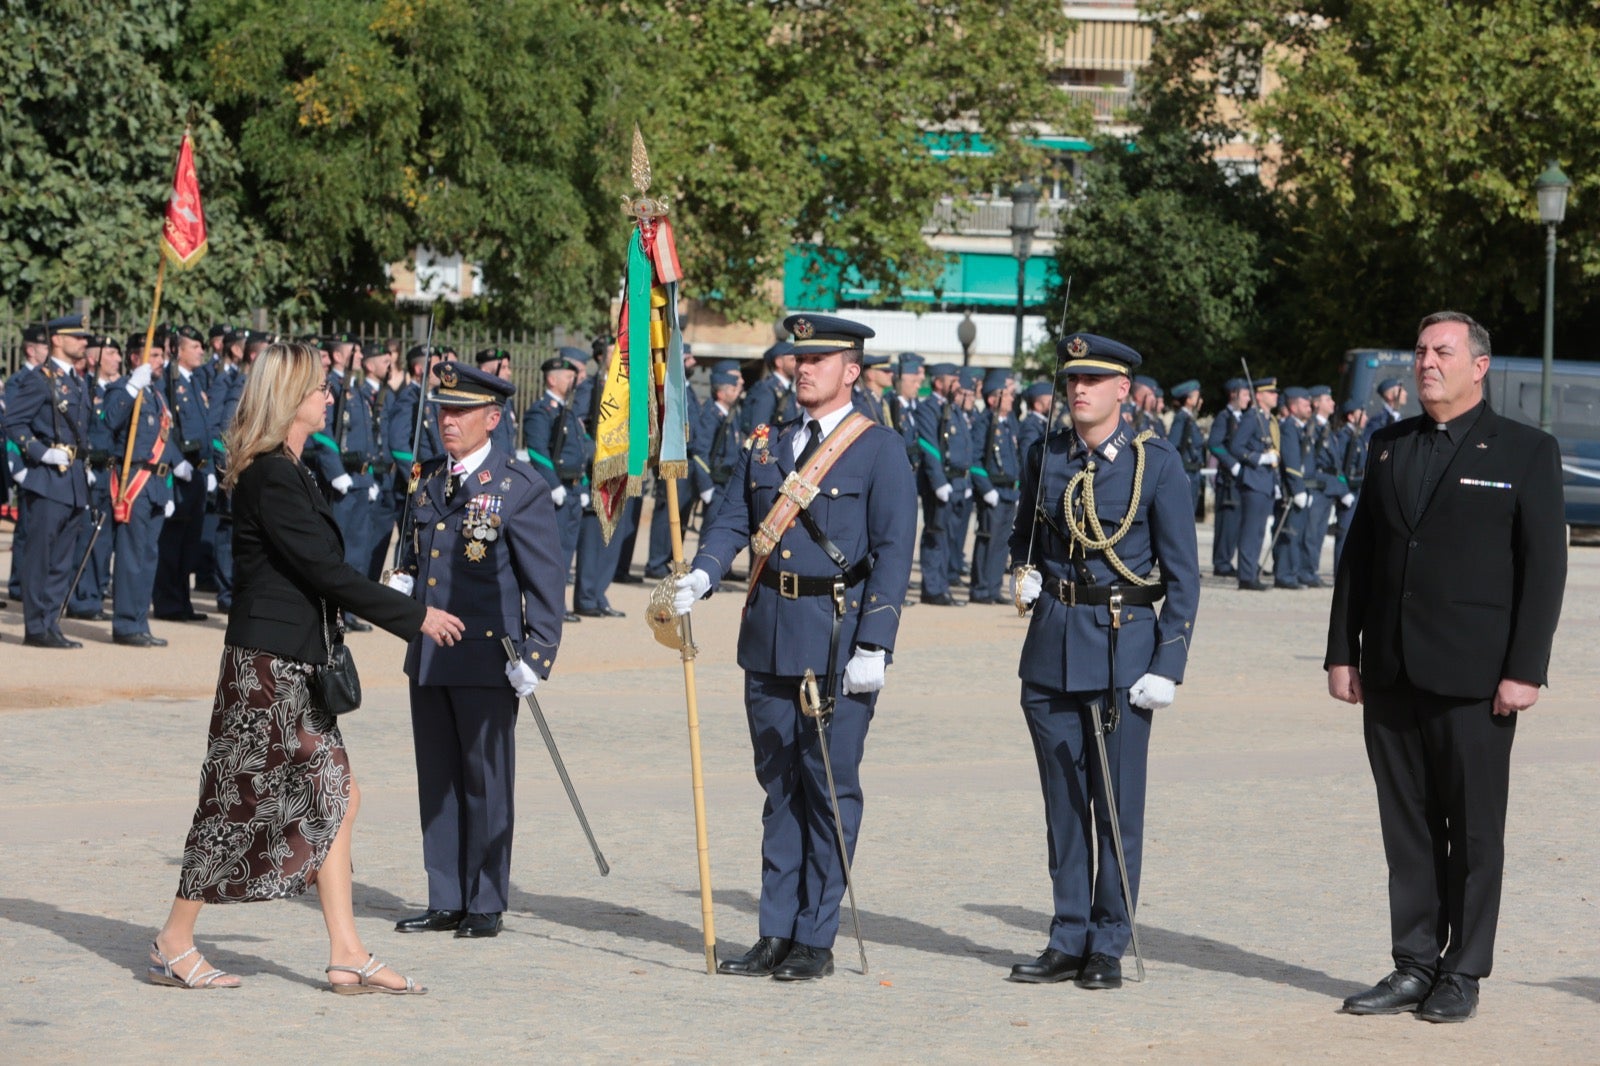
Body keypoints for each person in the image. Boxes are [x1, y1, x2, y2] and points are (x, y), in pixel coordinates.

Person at [148, 340, 464, 994]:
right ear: (291, 397)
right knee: (234, 805)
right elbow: (323, 571)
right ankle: (174, 940)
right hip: (265, 667)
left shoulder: (296, 468)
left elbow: (324, 566)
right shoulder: (270, 474)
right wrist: (414, 616)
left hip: (296, 663)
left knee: (339, 796)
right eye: (319, 387)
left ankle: (346, 950)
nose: (329, 395)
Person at [1326, 311, 1566, 1023]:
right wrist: (1344, 651)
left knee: (1475, 832)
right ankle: (1413, 962)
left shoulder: (1525, 450)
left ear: (1479, 365)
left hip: (1476, 677)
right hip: (1393, 671)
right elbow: (1359, 559)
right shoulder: (1389, 445)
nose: (1426, 362)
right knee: (1408, 828)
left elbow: (1543, 568)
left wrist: (1526, 668)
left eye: (1442, 351)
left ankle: (1463, 969)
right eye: (1421, 350)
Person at [672, 312, 916, 981]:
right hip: (769, 631)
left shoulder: (879, 449)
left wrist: (876, 643)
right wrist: (703, 571)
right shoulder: (767, 442)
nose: (803, 369)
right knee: (778, 787)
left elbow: (894, 553)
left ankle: (815, 933)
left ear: (850, 371)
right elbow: (731, 517)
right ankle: (775, 929)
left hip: (836, 637)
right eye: (798, 360)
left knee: (828, 786)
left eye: (819, 360)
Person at [1006, 332, 1200, 990]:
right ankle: (1067, 935)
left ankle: (1108, 941)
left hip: (1123, 651)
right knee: (1063, 805)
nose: (1078, 390)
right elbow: (1022, 535)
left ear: (1124, 389)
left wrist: (1168, 664)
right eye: (1071, 380)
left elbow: (1183, 575)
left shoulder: (1155, 464)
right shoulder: (1045, 454)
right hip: (1053, 645)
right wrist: (1025, 572)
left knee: (1116, 806)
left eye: (1093, 380)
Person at [387, 361, 566, 940]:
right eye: (443, 410)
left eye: (461, 412)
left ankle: (485, 899)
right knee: (436, 778)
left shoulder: (519, 486)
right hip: (432, 653)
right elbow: (418, 558)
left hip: (490, 657)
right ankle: (446, 896)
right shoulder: (427, 479)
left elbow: (544, 582)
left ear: (492, 418)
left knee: (484, 781)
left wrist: (536, 656)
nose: (448, 421)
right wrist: (399, 587)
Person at [4, 313, 93, 647]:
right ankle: (36, 626)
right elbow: (13, 422)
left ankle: (51, 621)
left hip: (72, 481)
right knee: (41, 556)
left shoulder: (77, 380)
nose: (84, 342)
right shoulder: (41, 379)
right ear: (57, 339)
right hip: (47, 478)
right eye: (78, 337)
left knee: (62, 559)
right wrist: (40, 453)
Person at [103, 334, 178, 647]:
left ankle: (139, 620)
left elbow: (166, 441)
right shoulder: (124, 389)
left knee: (148, 556)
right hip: (135, 481)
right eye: (156, 355)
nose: (161, 361)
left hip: (157, 485)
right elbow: (109, 421)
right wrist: (131, 387)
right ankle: (125, 624)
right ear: (137, 358)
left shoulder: (157, 394)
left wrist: (170, 489)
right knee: (132, 557)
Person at [152, 325, 218, 623]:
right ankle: (168, 602)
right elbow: (164, 427)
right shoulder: (169, 380)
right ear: (178, 350)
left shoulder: (194, 380)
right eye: (195, 346)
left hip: (199, 473)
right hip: (180, 473)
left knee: (189, 542)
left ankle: (183, 601)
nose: (201, 351)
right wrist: (176, 460)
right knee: (172, 542)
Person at [522, 348, 591, 617]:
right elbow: (538, 451)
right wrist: (553, 485)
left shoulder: (568, 412)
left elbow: (578, 454)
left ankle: (557, 605)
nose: (572, 381)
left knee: (566, 553)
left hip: (573, 490)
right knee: (552, 554)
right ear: (552, 379)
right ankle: (548, 606)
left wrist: (583, 485)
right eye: (567, 376)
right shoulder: (541, 411)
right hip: (557, 491)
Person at [914, 362, 972, 606]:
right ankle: (933, 589)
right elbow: (929, 445)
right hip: (941, 481)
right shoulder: (928, 408)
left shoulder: (953, 408)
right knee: (936, 534)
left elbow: (964, 445)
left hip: (957, 480)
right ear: (939, 382)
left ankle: (943, 584)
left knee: (949, 537)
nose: (957, 385)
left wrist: (965, 478)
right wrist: (938, 481)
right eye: (953, 380)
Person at [968, 368, 1019, 605]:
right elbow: (975, 458)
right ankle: (980, 589)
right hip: (993, 491)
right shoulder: (984, 423)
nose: (1011, 397)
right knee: (988, 540)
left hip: (1009, 491)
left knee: (1002, 543)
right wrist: (986, 488)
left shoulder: (1009, 423)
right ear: (992, 398)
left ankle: (993, 587)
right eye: (1006, 394)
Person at [1227, 376, 1280, 591]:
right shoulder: (1252, 418)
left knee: (1259, 531)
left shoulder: (1266, 419)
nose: (1275, 396)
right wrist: (1259, 458)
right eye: (1271, 393)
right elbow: (1236, 447)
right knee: (1251, 531)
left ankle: (1251, 573)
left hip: (1265, 481)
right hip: (1254, 480)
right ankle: (1246, 576)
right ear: (1260, 396)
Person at [1206, 377, 1250, 576]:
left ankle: (1233, 560)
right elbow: (1214, 443)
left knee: (1239, 523)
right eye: (1245, 394)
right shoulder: (1224, 417)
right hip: (1229, 479)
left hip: (1242, 478)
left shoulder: (1244, 419)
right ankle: (1222, 562)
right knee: (1227, 523)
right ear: (1234, 394)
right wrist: (1232, 464)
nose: (1248, 398)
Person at [1329, 400, 1367, 569]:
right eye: (1361, 413)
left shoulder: (1356, 437)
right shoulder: (1344, 436)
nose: (1365, 417)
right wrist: (1343, 490)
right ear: (1351, 417)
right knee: (1344, 533)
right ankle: (1340, 571)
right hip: (1350, 490)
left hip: (1358, 488)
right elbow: (1341, 468)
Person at [1166, 379, 1205, 514]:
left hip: (1193, 472)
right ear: (1188, 400)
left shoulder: (1189, 418)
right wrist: (1180, 472)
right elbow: (1173, 445)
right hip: (1186, 472)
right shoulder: (1182, 418)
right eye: (1197, 397)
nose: (1201, 401)